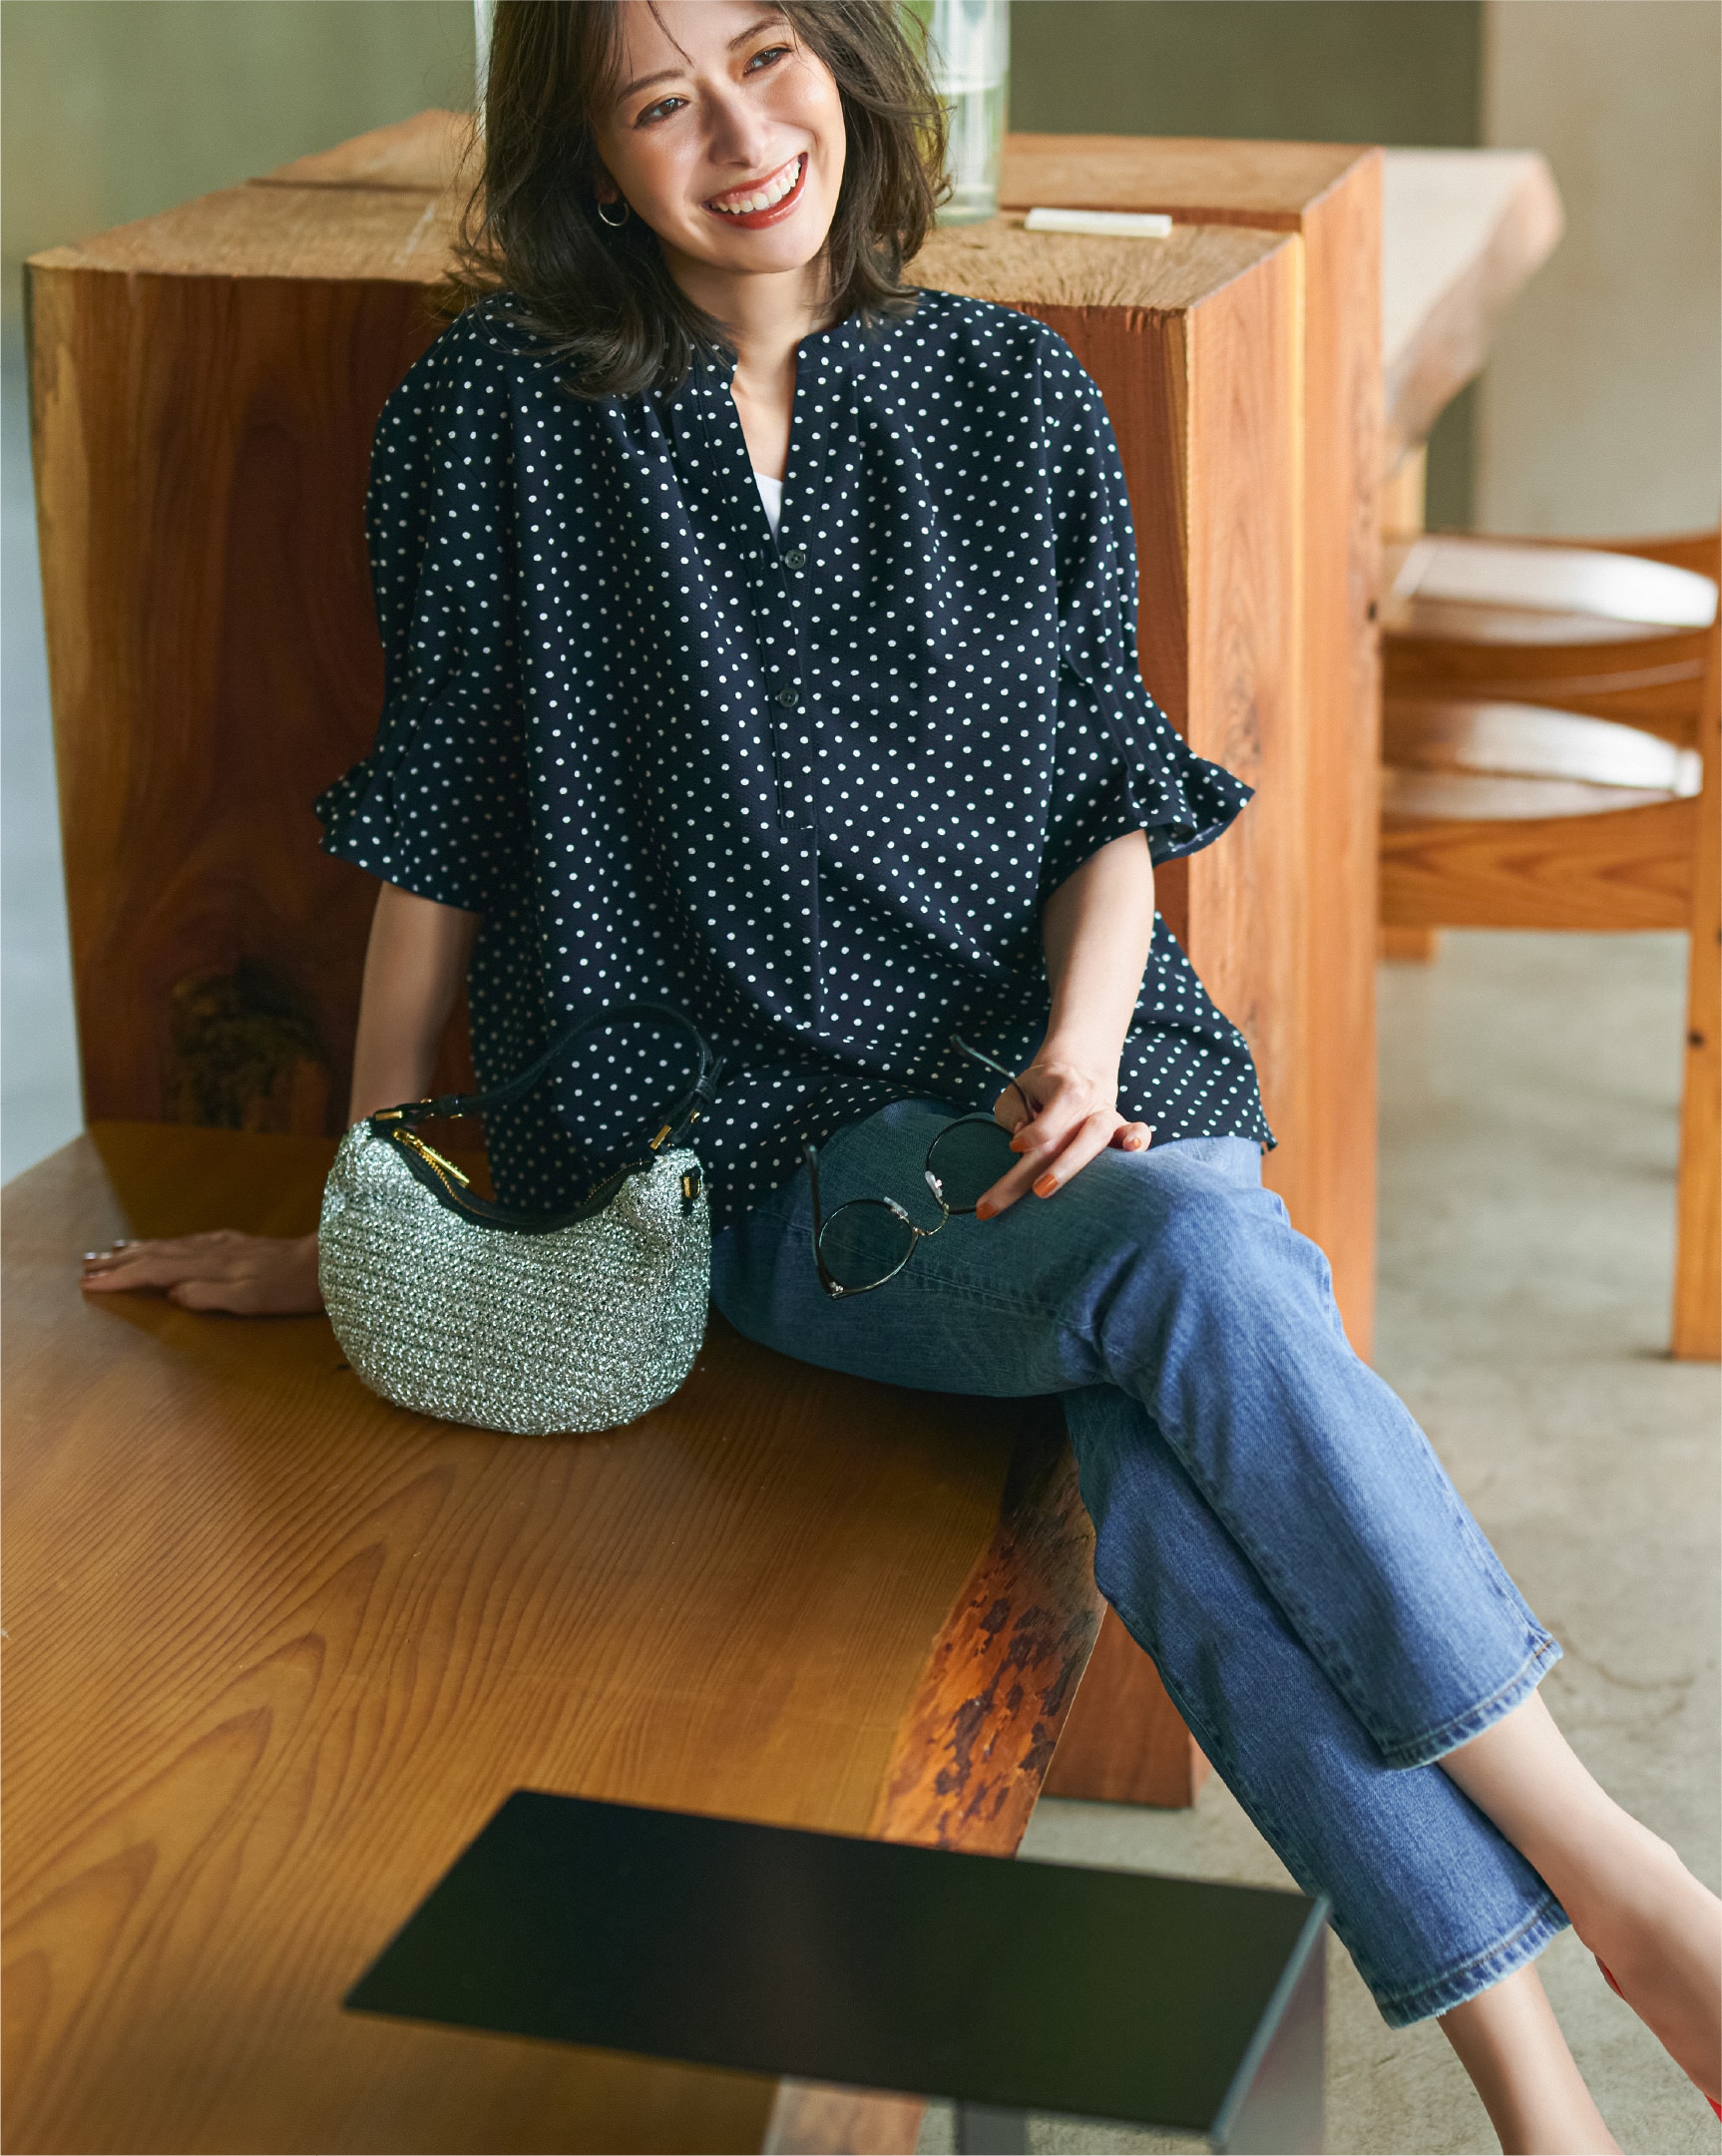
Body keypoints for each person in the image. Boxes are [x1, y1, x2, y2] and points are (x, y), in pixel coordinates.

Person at [80, 4, 1719, 2147]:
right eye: (658, 100)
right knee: (1190, 1264)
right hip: (767, 1153)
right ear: (589, 160)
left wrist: (1075, 1046)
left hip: (1072, 1072)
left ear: (850, 66)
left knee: (1169, 1421)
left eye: (770, 55)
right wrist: (368, 1209)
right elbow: (441, 827)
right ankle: (1630, 1889)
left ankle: (1542, 2095)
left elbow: (1109, 803)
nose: (738, 132)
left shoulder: (1009, 392)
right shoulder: (500, 417)